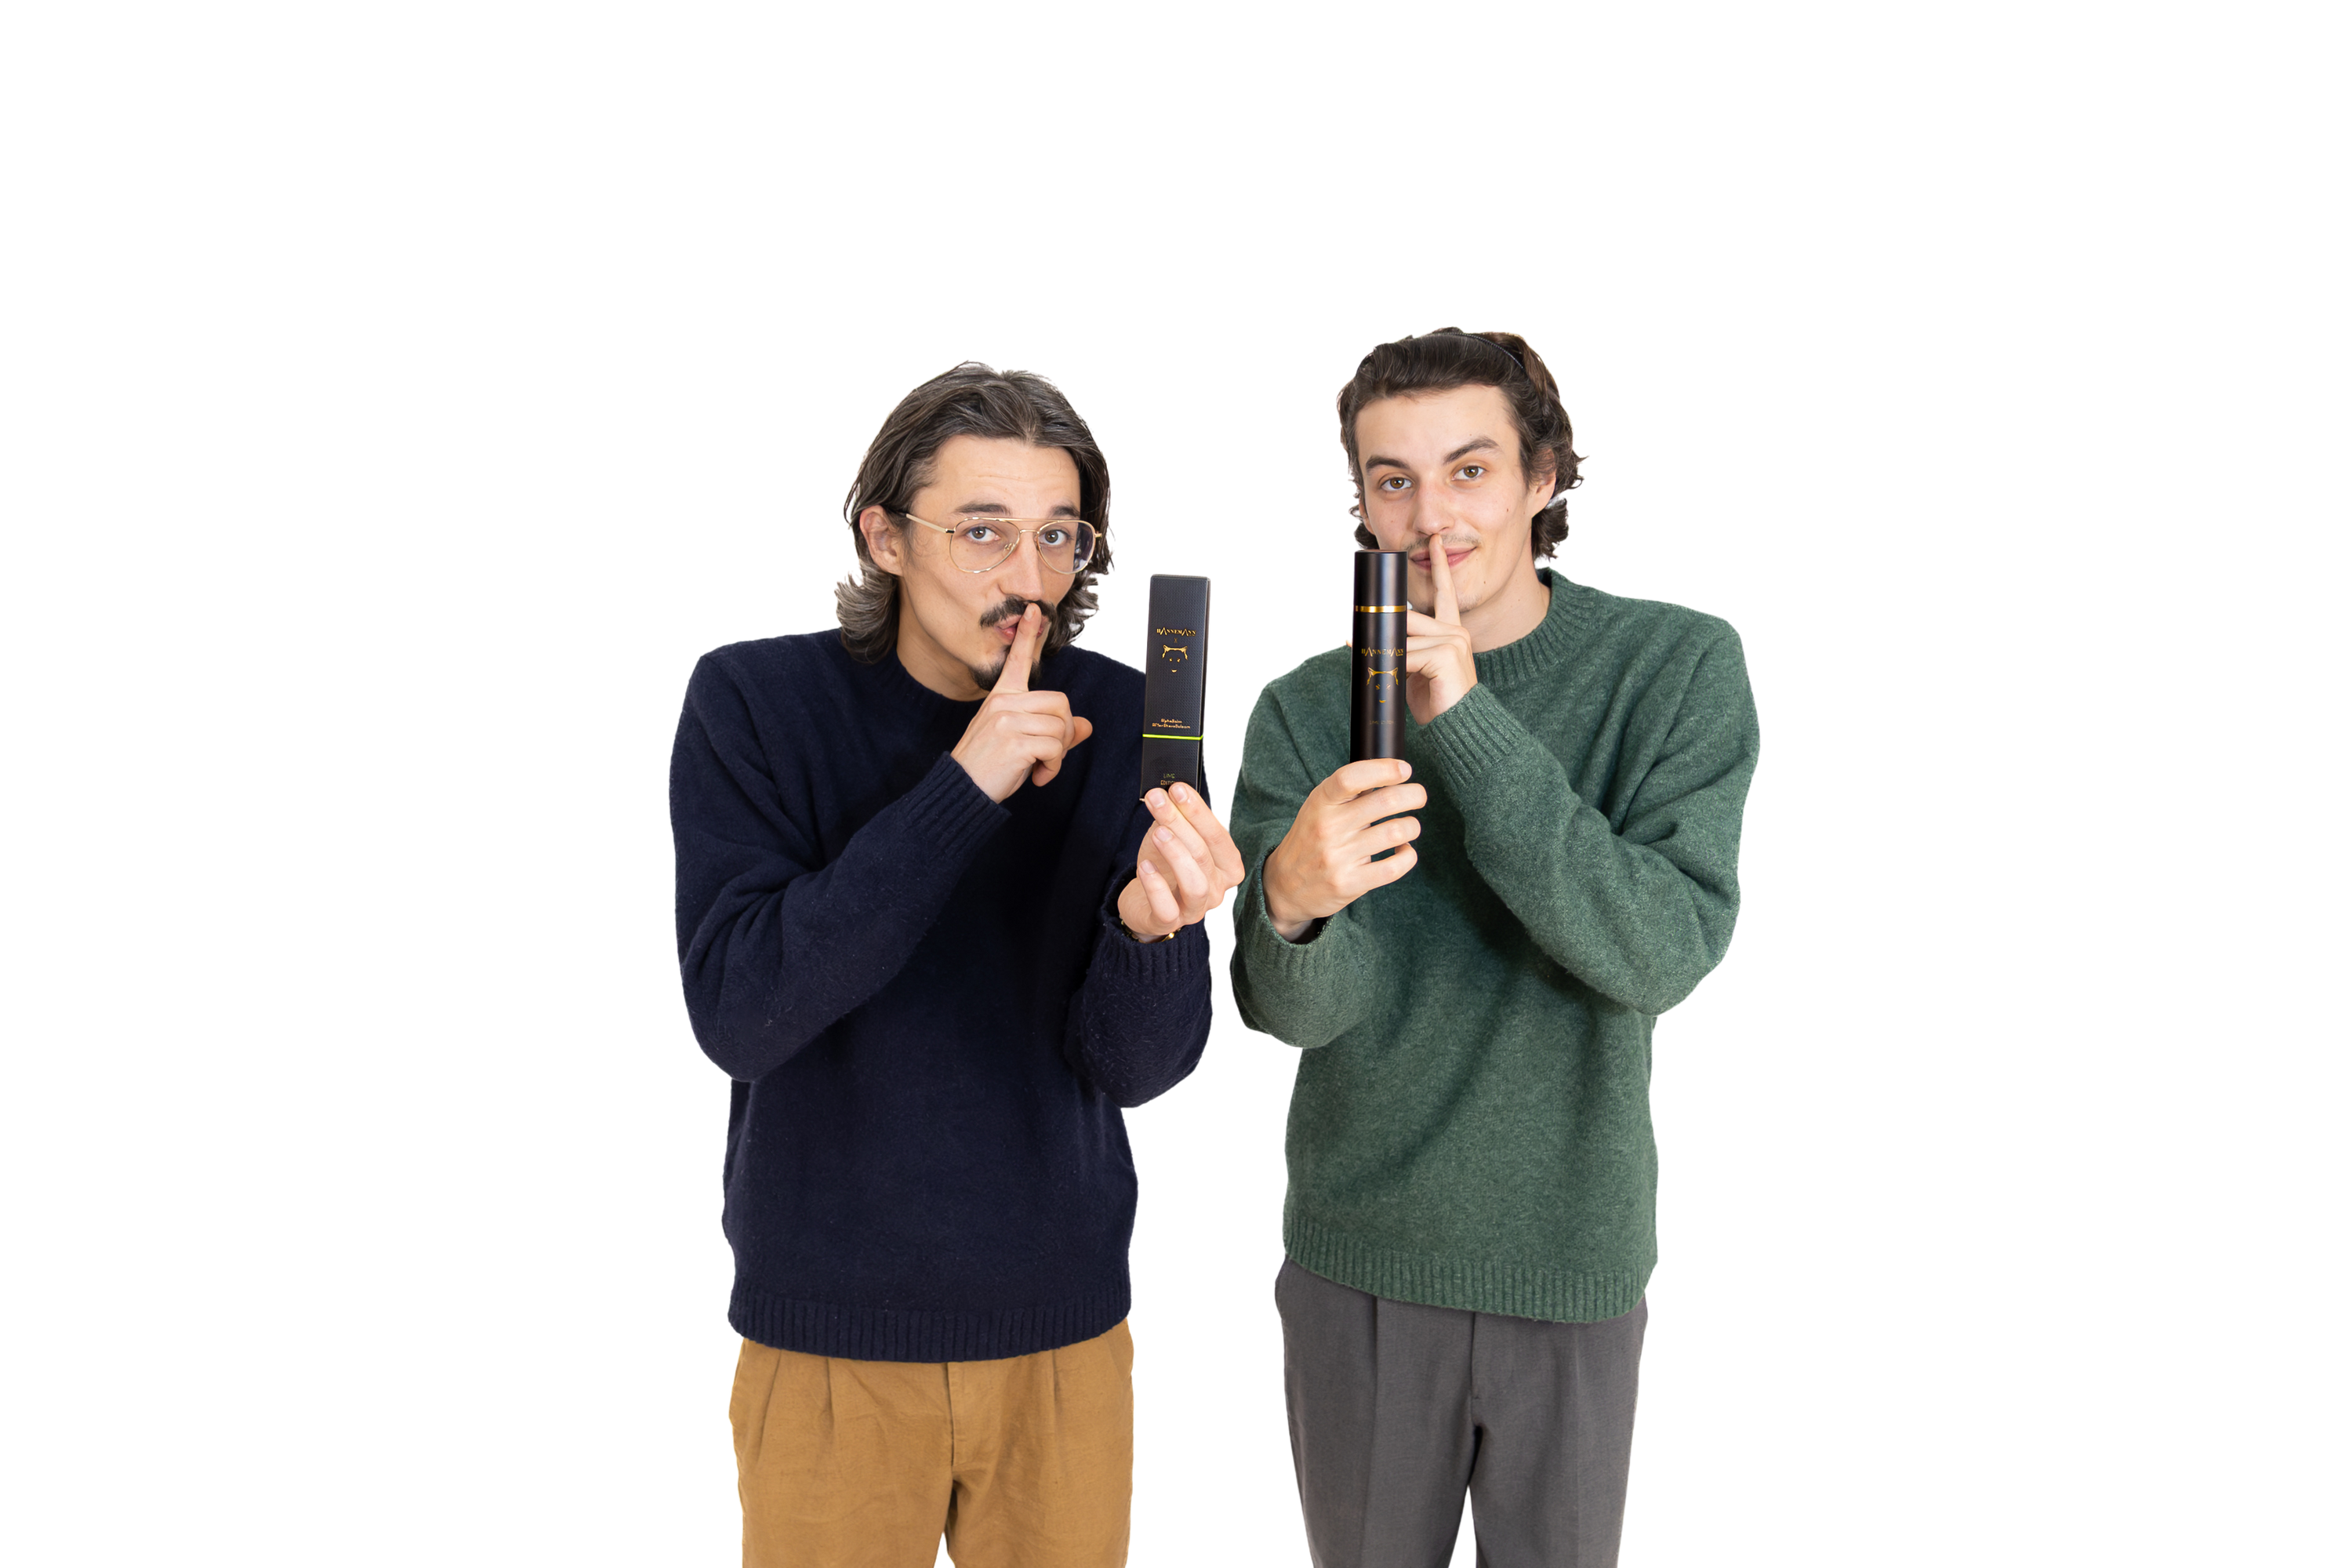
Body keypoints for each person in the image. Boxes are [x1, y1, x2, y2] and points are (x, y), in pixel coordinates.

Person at [668, 358, 1243, 1566]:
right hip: (825, 1340)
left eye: (1057, 535)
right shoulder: (751, 698)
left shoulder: (1135, 716)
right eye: (983, 532)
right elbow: (740, 1014)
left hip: (1064, 1339)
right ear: (883, 536)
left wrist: (1153, 932)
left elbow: (1140, 1071)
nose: (1027, 579)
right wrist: (966, 784)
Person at [1226, 327, 1763, 1566]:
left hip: (1570, 1265)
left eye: (1469, 470)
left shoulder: (1675, 663)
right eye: (1393, 480)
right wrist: (1293, 902)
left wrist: (1463, 718)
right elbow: (1297, 1015)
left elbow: (1660, 952)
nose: (1430, 517)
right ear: (1360, 501)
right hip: (1357, 1265)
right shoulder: (1303, 705)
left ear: (1543, 477)